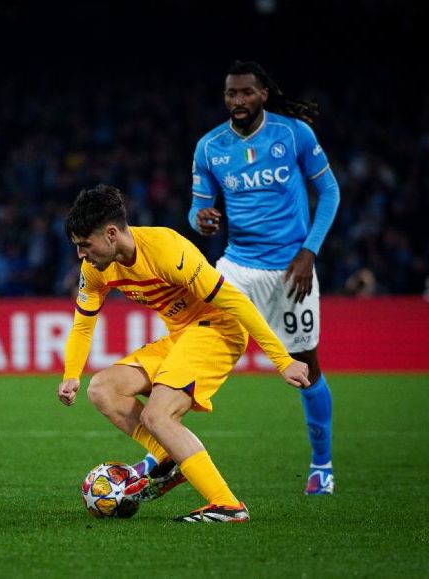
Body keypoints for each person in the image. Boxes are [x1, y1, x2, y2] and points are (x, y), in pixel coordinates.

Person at [58, 185, 309, 523]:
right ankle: (168, 459)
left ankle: (227, 505)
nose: (80, 255)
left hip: (217, 330)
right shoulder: (95, 270)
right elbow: (83, 325)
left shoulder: (166, 250)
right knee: (103, 389)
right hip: (181, 336)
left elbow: (234, 301)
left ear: (112, 234)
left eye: (84, 244)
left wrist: (282, 360)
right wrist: (71, 374)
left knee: (157, 415)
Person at [188, 61, 340, 495]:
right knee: (198, 345)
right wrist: (202, 220)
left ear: (263, 94)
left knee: (306, 366)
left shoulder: (294, 134)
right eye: (230, 94)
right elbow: (196, 212)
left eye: (245, 93)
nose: (237, 101)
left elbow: (329, 191)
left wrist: (310, 250)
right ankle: (163, 450)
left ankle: (322, 465)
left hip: (291, 268)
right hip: (237, 266)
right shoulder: (210, 147)